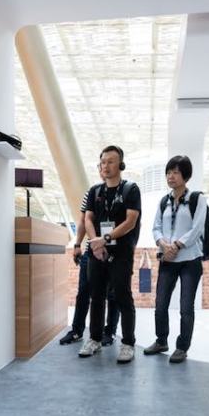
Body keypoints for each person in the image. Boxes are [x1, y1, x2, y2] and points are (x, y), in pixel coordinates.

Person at [79, 145, 141, 363]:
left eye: (111, 161)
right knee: (96, 296)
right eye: (103, 162)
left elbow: (130, 221)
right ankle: (94, 339)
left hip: (121, 253)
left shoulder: (130, 189)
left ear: (121, 165)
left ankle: (128, 343)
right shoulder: (95, 191)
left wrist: (104, 239)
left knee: (122, 296)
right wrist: (95, 243)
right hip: (97, 252)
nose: (105, 166)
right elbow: (88, 219)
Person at [144, 155, 206, 363]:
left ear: (186, 176)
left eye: (176, 172)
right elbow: (155, 227)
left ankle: (182, 347)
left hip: (190, 260)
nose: (171, 176)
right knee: (160, 304)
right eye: (168, 172)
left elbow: (197, 228)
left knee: (186, 307)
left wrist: (177, 245)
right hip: (168, 259)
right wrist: (164, 245)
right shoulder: (164, 201)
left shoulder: (197, 198)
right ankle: (161, 340)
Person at [59, 168, 119, 346]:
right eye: (101, 165)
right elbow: (83, 220)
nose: (104, 169)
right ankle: (77, 330)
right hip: (91, 250)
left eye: (109, 164)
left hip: (114, 251)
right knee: (83, 291)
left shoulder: (123, 192)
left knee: (112, 294)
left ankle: (109, 331)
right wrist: (77, 244)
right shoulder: (92, 193)